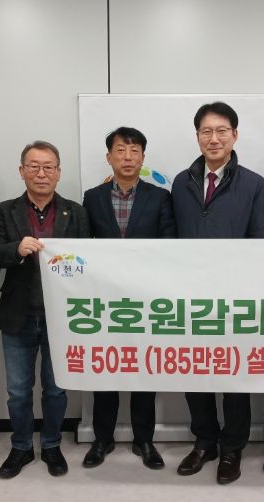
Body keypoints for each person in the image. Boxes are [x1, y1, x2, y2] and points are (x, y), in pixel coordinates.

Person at [172, 102, 264, 484]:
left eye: (221, 131)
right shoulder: (181, 182)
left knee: (233, 376)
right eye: (206, 131)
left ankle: (232, 447)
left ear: (234, 134)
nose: (213, 138)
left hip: (235, 298)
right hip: (190, 298)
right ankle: (205, 441)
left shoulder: (254, 184)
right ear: (197, 136)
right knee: (195, 372)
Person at [0, 141, 90, 479]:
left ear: (58, 172)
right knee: (18, 391)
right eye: (34, 166)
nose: (41, 173)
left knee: (56, 388)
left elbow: (87, 260)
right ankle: (20, 447)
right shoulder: (4, 211)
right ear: (22, 171)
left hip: (61, 317)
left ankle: (51, 445)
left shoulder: (75, 212)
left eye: (48, 167)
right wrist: (16, 249)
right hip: (18, 313)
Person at [81, 126, 176, 470]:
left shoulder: (159, 197)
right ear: (109, 157)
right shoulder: (92, 197)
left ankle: (143, 440)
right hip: (105, 299)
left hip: (146, 299)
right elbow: (83, 246)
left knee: (144, 370)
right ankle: (102, 439)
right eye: (120, 150)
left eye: (134, 151)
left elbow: (168, 246)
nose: (127, 157)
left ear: (143, 158)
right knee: (106, 369)